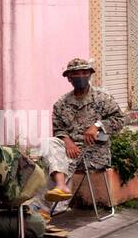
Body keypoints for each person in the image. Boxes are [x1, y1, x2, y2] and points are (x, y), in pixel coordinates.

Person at [40, 57, 126, 202]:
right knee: (49, 146)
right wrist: (67, 141)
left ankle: (49, 206)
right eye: (75, 74)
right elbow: (58, 129)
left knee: (55, 163)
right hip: (70, 150)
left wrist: (97, 126)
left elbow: (119, 120)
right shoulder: (61, 104)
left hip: (94, 151)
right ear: (69, 78)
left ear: (90, 75)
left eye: (84, 73)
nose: (80, 76)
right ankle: (60, 187)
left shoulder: (102, 98)